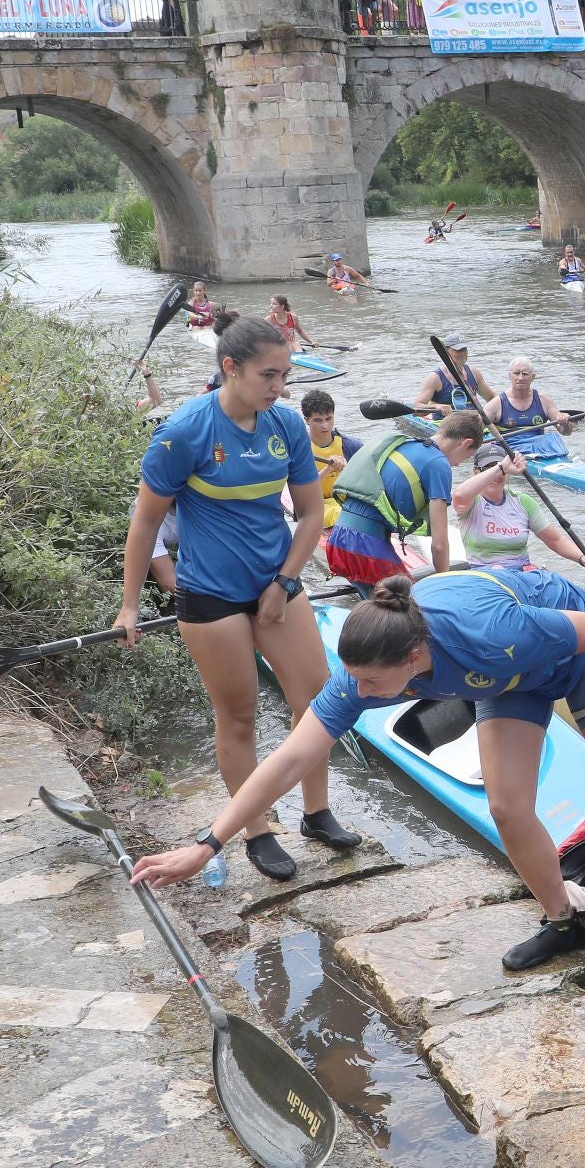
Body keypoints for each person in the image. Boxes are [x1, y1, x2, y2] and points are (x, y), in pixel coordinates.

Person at [128, 571, 585, 972]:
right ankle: (563, 921)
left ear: (413, 661)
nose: (361, 694)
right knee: (508, 808)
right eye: (354, 680)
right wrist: (209, 845)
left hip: (575, 658)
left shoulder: (486, 632)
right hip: (509, 684)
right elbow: (290, 758)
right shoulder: (365, 675)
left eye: (373, 685)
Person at [116, 314, 361, 883]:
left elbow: (306, 516)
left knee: (319, 703)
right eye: (268, 375)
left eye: (286, 375)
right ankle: (256, 831)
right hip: (210, 596)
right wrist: (130, 605)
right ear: (230, 368)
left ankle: (317, 813)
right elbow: (145, 524)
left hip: (277, 584)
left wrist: (283, 583)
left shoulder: (286, 427)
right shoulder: (184, 432)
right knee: (240, 715)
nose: (279, 388)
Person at [324, 410, 484, 584]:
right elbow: (439, 545)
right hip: (365, 547)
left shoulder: (403, 443)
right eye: (466, 456)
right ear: (465, 443)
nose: (458, 464)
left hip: (337, 538)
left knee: (386, 605)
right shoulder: (438, 464)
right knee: (408, 609)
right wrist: (443, 585)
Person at [456, 444, 585, 574]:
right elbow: (459, 495)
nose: (496, 475)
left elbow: (555, 540)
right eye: (488, 468)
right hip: (483, 575)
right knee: (499, 571)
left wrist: (582, 558)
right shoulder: (471, 501)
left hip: (521, 574)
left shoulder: (523, 501)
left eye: (500, 468)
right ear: (475, 471)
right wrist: (500, 467)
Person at [299, 388, 362, 529]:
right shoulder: (300, 450)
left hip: (344, 502)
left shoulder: (350, 445)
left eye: (328, 418)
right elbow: (304, 491)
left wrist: (351, 471)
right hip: (315, 504)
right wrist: (328, 469)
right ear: (307, 420)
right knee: (341, 514)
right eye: (318, 420)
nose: (325, 425)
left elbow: (368, 480)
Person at [483, 356, 572, 440]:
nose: (520, 378)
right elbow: (474, 431)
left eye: (525, 374)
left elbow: (566, 433)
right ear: (510, 376)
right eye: (516, 373)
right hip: (509, 448)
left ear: (533, 377)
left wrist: (565, 423)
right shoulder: (496, 404)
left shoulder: (544, 400)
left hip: (538, 446)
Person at [413, 329, 486, 412]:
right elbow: (417, 408)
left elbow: (492, 398)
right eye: (458, 350)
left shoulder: (474, 373)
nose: (462, 353)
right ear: (446, 352)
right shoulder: (435, 378)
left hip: (473, 421)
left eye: (464, 349)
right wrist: (437, 407)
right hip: (445, 422)